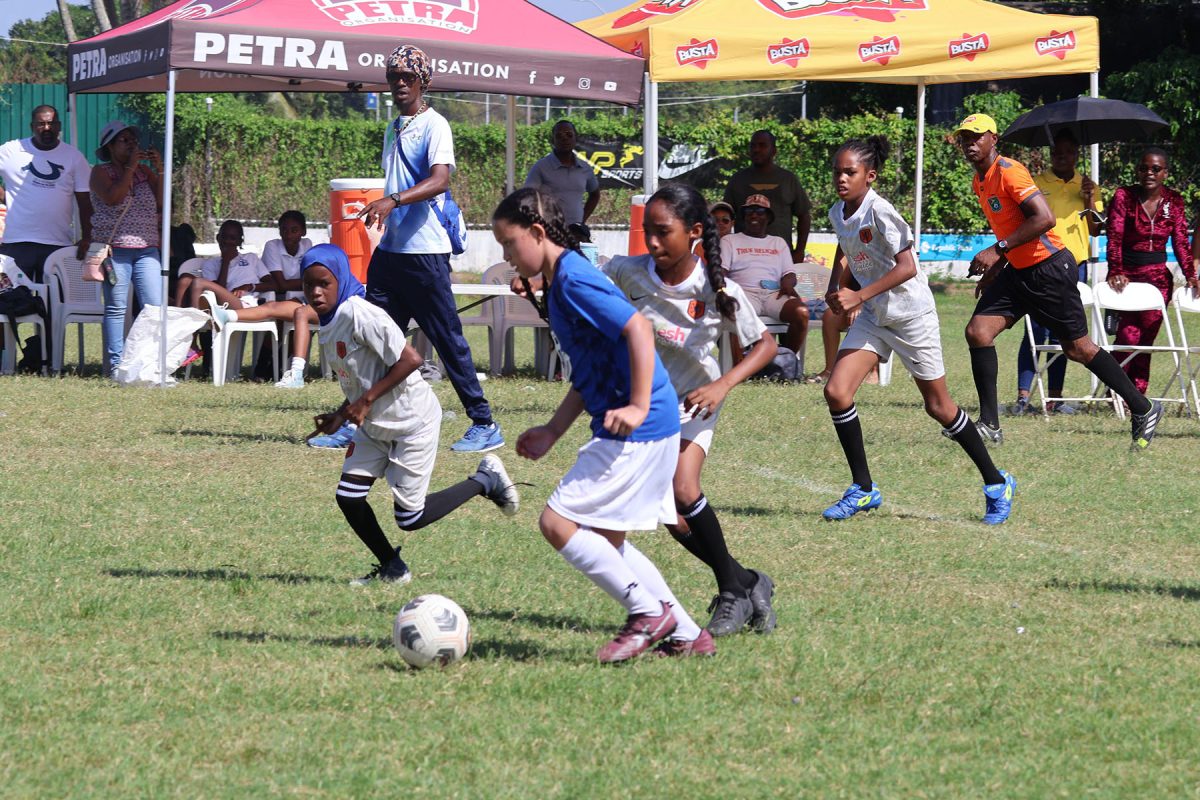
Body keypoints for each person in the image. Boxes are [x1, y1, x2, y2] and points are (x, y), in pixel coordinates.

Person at [494, 187, 711, 662]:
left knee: (557, 522)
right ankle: (689, 634)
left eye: (509, 244)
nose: (507, 256)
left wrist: (635, 406)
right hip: (640, 423)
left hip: (641, 424)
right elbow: (592, 366)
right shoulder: (559, 279)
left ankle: (647, 614)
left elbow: (637, 328)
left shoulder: (573, 278)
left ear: (535, 232)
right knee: (607, 540)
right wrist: (554, 429)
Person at [597, 183, 779, 637]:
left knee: (683, 488)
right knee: (673, 518)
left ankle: (732, 593)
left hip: (697, 402)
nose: (653, 242)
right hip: (648, 404)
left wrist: (722, 383)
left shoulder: (717, 288)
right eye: (647, 233)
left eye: (663, 232)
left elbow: (766, 345)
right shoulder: (627, 271)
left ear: (695, 232)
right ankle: (748, 581)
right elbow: (581, 286)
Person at [822, 136, 1015, 525]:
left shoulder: (882, 212)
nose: (841, 179)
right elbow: (845, 251)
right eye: (837, 172)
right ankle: (863, 489)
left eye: (850, 172)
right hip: (877, 315)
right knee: (836, 391)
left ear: (870, 176)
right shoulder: (837, 212)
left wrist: (857, 297)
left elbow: (907, 267)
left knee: (939, 407)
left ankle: (997, 483)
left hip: (911, 315)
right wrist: (834, 287)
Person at [302, 244, 519, 585]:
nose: (315, 292)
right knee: (348, 497)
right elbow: (363, 379)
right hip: (375, 425)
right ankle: (392, 567)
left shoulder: (362, 314)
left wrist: (366, 400)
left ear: (340, 279)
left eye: (323, 283)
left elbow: (411, 359)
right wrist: (343, 414)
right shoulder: (330, 321)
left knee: (410, 517)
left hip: (411, 422)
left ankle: (485, 480)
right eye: (308, 284)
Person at [955, 113, 1165, 450]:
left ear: (994, 139)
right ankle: (990, 424)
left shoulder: (1010, 172)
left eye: (977, 136)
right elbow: (1010, 229)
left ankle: (1143, 407)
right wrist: (997, 267)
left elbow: (1044, 218)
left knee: (1077, 348)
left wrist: (997, 251)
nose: (970, 143)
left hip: (1049, 268)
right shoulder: (979, 182)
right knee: (977, 332)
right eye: (965, 138)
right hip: (1019, 271)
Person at [357, 44, 502, 454]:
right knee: (373, 339)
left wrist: (392, 200)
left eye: (408, 77)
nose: (399, 84)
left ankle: (483, 422)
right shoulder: (392, 127)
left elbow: (440, 180)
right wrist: (385, 210)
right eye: (393, 78)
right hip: (391, 253)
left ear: (424, 82)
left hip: (425, 253)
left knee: (447, 338)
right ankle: (359, 419)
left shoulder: (435, 125)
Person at [1011, 129, 1104, 415]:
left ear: (1077, 155)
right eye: (1056, 152)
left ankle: (1054, 398)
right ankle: (1023, 397)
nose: (1061, 157)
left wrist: (1089, 200)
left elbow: (1097, 229)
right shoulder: (1037, 183)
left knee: (1065, 333)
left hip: (1075, 266)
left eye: (1067, 152)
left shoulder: (1089, 186)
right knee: (1035, 331)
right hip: (1041, 264)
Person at [1104, 147, 1196, 397]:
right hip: (1125, 277)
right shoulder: (1124, 196)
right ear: (1138, 170)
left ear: (1165, 172)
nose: (1149, 173)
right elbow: (1114, 236)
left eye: (1156, 169)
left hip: (1158, 280)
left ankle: (1137, 394)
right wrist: (1116, 270)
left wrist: (1191, 274)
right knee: (1126, 337)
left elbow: (1180, 241)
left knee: (1145, 342)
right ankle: (1116, 390)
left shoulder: (1174, 200)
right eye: (1144, 168)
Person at [89, 121, 163, 377]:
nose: (132, 144)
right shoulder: (100, 172)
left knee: (153, 306)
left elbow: (164, 201)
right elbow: (113, 198)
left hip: (147, 249)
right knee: (116, 308)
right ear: (109, 146)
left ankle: (151, 363)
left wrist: (159, 168)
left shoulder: (144, 171)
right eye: (124, 140)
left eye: (134, 140)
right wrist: (130, 167)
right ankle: (117, 366)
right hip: (115, 251)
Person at [0, 105, 93, 283]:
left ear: (58, 126)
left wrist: (87, 237)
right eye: (41, 124)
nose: (47, 128)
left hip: (57, 244)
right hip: (17, 242)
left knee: (54, 304)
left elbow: (85, 201)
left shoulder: (74, 156)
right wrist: (4, 196)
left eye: (51, 123)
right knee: (14, 303)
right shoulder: (11, 151)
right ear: (32, 126)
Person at [174, 219, 273, 369]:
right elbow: (216, 290)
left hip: (246, 305)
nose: (228, 241)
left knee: (197, 282)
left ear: (240, 241)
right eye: (224, 237)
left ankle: (191, 342)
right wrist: (225, 263)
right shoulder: (211, 264)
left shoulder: (251, 258)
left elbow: (273, 284)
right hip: (221, 305)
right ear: (218, 238)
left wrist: (251, 286)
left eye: (233, 238)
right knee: (191, 281)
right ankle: (187, 339)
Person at [720, 194, 810, 357]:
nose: (754, 214)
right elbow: (722, 272)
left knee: (801, 313)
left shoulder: (778, 242)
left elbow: (789, 273)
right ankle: (740, 369)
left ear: (768, 217)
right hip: (744, 293)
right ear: (744, 216)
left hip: (773, 294)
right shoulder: (730, 241)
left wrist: (788, 283)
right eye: (749, 211)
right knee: (734, 310)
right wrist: (726, 292)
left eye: (760, 211)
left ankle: (784, 361)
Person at [724, 129, 811, 261]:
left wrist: (799, 250)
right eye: (753, 145)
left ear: (774, 151)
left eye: (762, 145)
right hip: (742, 256)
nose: (756, 149)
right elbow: (724, 217)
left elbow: (804, 216)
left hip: (780, 257)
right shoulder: (737, 180)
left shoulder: (787, 179)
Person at [523, 120, 601, 232]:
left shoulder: (584, 168)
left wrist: (581, 222)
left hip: (575, 235)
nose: (565, 139)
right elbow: (527, 198)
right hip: (550, 233)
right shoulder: (541, 167)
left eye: (569, 135)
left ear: (576, 138)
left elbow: (595, 195)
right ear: (553, 141)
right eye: (559, 136)